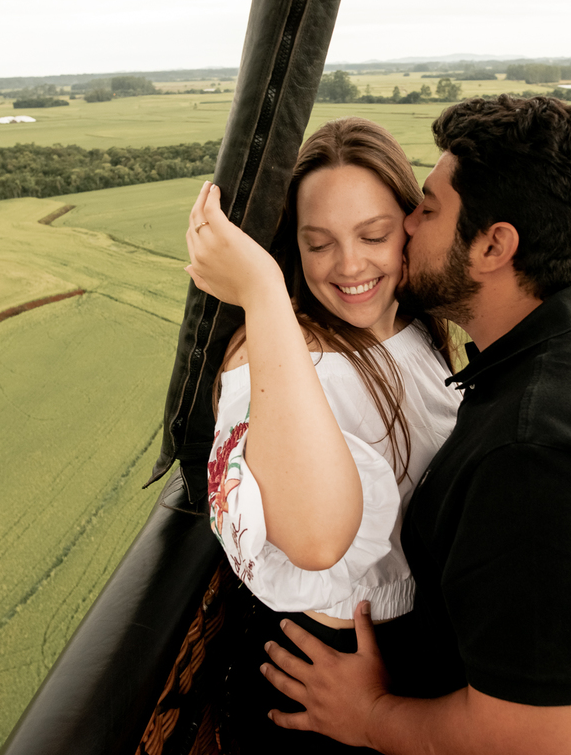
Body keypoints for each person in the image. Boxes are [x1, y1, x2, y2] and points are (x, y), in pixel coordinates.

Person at [260, 95, 571, 755]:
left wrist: (369, 714)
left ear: (493, 245)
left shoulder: (536, 453)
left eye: (427, 206)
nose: (408, 224)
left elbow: (530, 744)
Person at [185, 117, 462, 752]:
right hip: (326, 674)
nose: (350, 265)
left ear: (410, 228)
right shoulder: (274, 353)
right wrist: (261, 292)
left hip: (413, 657)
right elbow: (315, 540)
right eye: (319, 244)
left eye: (373, 235)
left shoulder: (417, 332)